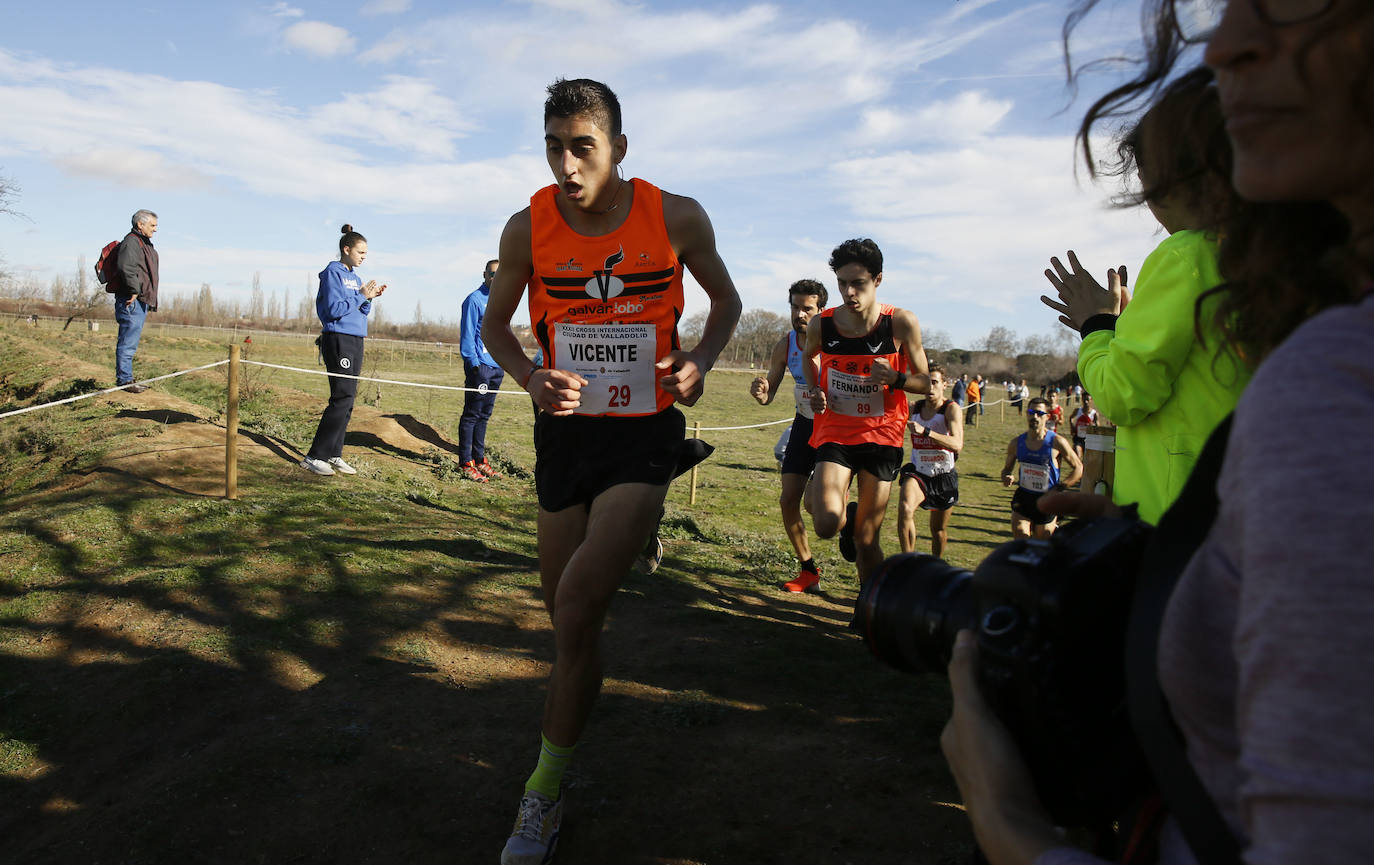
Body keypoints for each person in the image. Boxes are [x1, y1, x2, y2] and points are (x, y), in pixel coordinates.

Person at [940, 1, 1374, 862]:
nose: (1229, 43)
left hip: (1180, 518)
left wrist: (1009, 824)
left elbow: (1128, 391)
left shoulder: (1197, 266)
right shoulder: (1287, 275)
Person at [480, 78, 742, 865]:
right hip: (565, 435)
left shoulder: (679, 217)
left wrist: (698, 360)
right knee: (570, 627)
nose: (566, 162)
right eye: (553, 146)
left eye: (581, 146)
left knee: (577, 597)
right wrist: (530, 378)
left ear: (618, 149)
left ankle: (541, 788)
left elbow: (726, 302)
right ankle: (557, 777)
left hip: (643, 432)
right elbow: (496, 325)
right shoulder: (528, 227)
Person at [1041, 68, 1254, 524]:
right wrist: (1130, 326)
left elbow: (1123, 394)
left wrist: (1097, 325)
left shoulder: (1183, 256)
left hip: (1177, 509)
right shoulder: (1263, 253)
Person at [803, 237, 930, 589]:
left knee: (867, 539)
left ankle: (868, 602)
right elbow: (807, 357)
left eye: (857, 283)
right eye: (842, 283)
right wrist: (816, 390)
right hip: (836, 431)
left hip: (882, 434)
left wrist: (896, 378)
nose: (848, 292)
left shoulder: (900, 323)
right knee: (826, 523)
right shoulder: (823, 325)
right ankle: (849, 517)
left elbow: (925, 382)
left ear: (877, 280)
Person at [749, 278, 828, 592]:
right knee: (788, 500)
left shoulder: (833, 340)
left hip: (833, 430)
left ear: (820, 310)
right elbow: (770, 391)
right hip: (803, 425)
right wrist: (761, 391)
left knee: (816, 507)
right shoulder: (786, 344)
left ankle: (848, 513)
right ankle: (808, 570)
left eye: (807, 308)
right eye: (795, 307)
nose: (800, 314)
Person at [300, 225, 387, 476]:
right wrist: (360, 295)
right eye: (360, 251)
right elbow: (334, 310)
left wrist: (369, 298)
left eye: (366, 253)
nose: (363, 257)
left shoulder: (357, 278)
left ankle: (334, 453)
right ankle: (315, 456)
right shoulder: (332, 273)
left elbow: (361, 311)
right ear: (346, 249)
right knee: (341, 397)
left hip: (356, 338)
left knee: (349, 400)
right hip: (338, 338)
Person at [897, 365, 963, 556]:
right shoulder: (914, 408)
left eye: (935, 382)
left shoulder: (950, 409)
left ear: (944, 385)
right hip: (919, 473)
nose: (930, 387)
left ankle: (936, 567)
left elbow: (957, 444)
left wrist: (926, 432)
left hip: (943, 476)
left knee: (938, 531)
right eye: (927, 383)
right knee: (905, 508)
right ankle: (908, 562)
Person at [1000, 396, 1081, 539]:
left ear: (1047, 416)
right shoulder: (1016, 443)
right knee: (1020, 535)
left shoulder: (1057, 442)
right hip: (1024, 496)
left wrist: (1060, 487)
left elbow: (1078, 468)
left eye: (1040, 413)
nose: (1035, 416)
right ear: (1026, 414)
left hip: (1048, 498)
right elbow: (1006, 469)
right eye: (1031, 412)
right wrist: (1006, 476)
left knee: (1041, 544)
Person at [457, 259, 506, 482]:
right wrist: (473, 363)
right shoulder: (474, 300)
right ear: (485, 274)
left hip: (496, 367)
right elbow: (467, 335)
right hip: (481, 367)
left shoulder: (502, 300)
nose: (495, 278)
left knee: (485, 416)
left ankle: (479, 460)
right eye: (492, 274)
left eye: (499, 274)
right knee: (472, 415)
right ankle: (465, 462)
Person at [113, 209, 159, 393]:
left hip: (139, 298)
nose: (155, 229)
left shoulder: (143, 242)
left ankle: (126, 378)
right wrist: (134, 290)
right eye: (152, 225)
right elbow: (126, 267)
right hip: (132, 299)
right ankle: (125, 380)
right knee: (128, 340)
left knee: (131, 339)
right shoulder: (132, 242)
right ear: (140, 224)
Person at [1069, 393, 1099, 458]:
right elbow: (1071, 418)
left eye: (1087, 400)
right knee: (1077, 454)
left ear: (1091, 400)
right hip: (1078, 438)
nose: (1086, 402)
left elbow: (1098, 427)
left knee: (1086, 459)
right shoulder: (1077, 410)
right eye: (1084, 399)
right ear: (1082, 399)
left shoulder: (1094, 414)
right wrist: (1072, 427)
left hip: (1089, 439)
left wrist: (1093, 425)